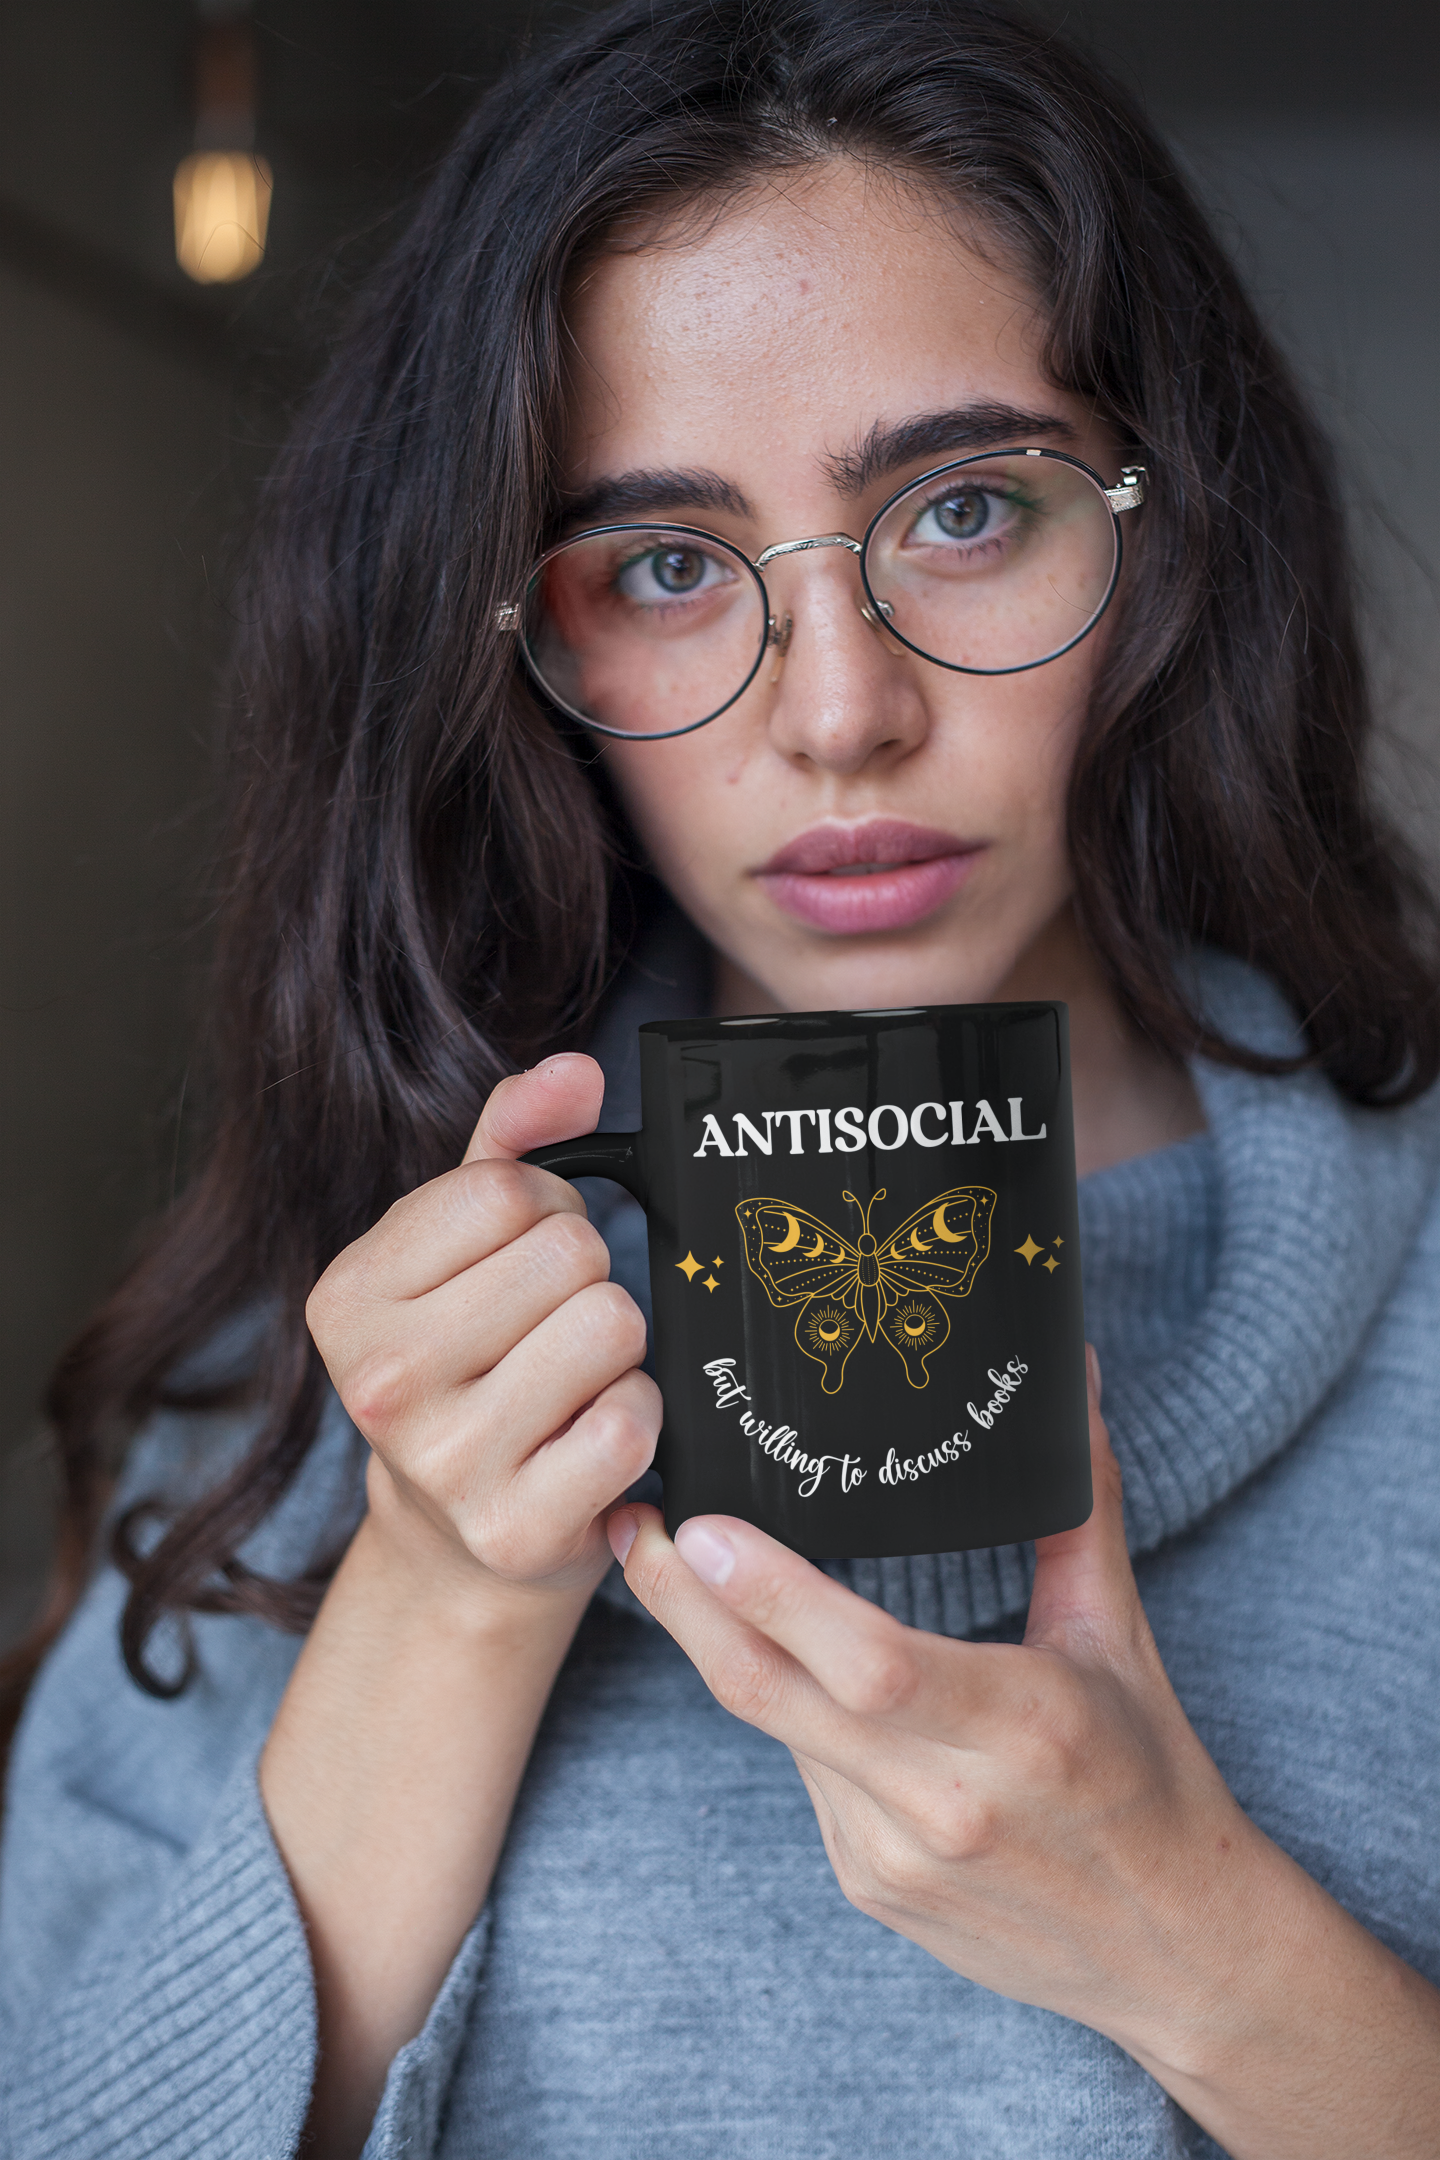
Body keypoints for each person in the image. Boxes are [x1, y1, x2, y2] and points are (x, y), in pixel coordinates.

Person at [3, 2, 1439, 2155]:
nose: (839, 711)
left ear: (1166, 536)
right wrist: (439, 1600)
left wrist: (1207, 1953)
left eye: (965, 512)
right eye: (667, 569)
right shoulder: (317, 1359)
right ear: (520, 648)